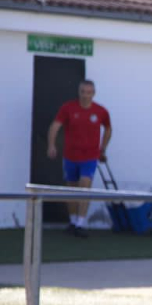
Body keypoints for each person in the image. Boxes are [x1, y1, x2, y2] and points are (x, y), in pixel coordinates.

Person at [46, 78, 111, 237]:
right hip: (70, 156)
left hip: (89, 157)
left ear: (93, 93)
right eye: (83, 92)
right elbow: (55, 126)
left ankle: (81, 223)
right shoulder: (68, 108)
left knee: (85, 185)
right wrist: (51, 145)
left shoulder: (100, 111)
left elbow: (108, 128)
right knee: (71, 189)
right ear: (78, 92)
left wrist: (102, 149)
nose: (85, 95)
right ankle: (73, 222)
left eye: (88, 92)